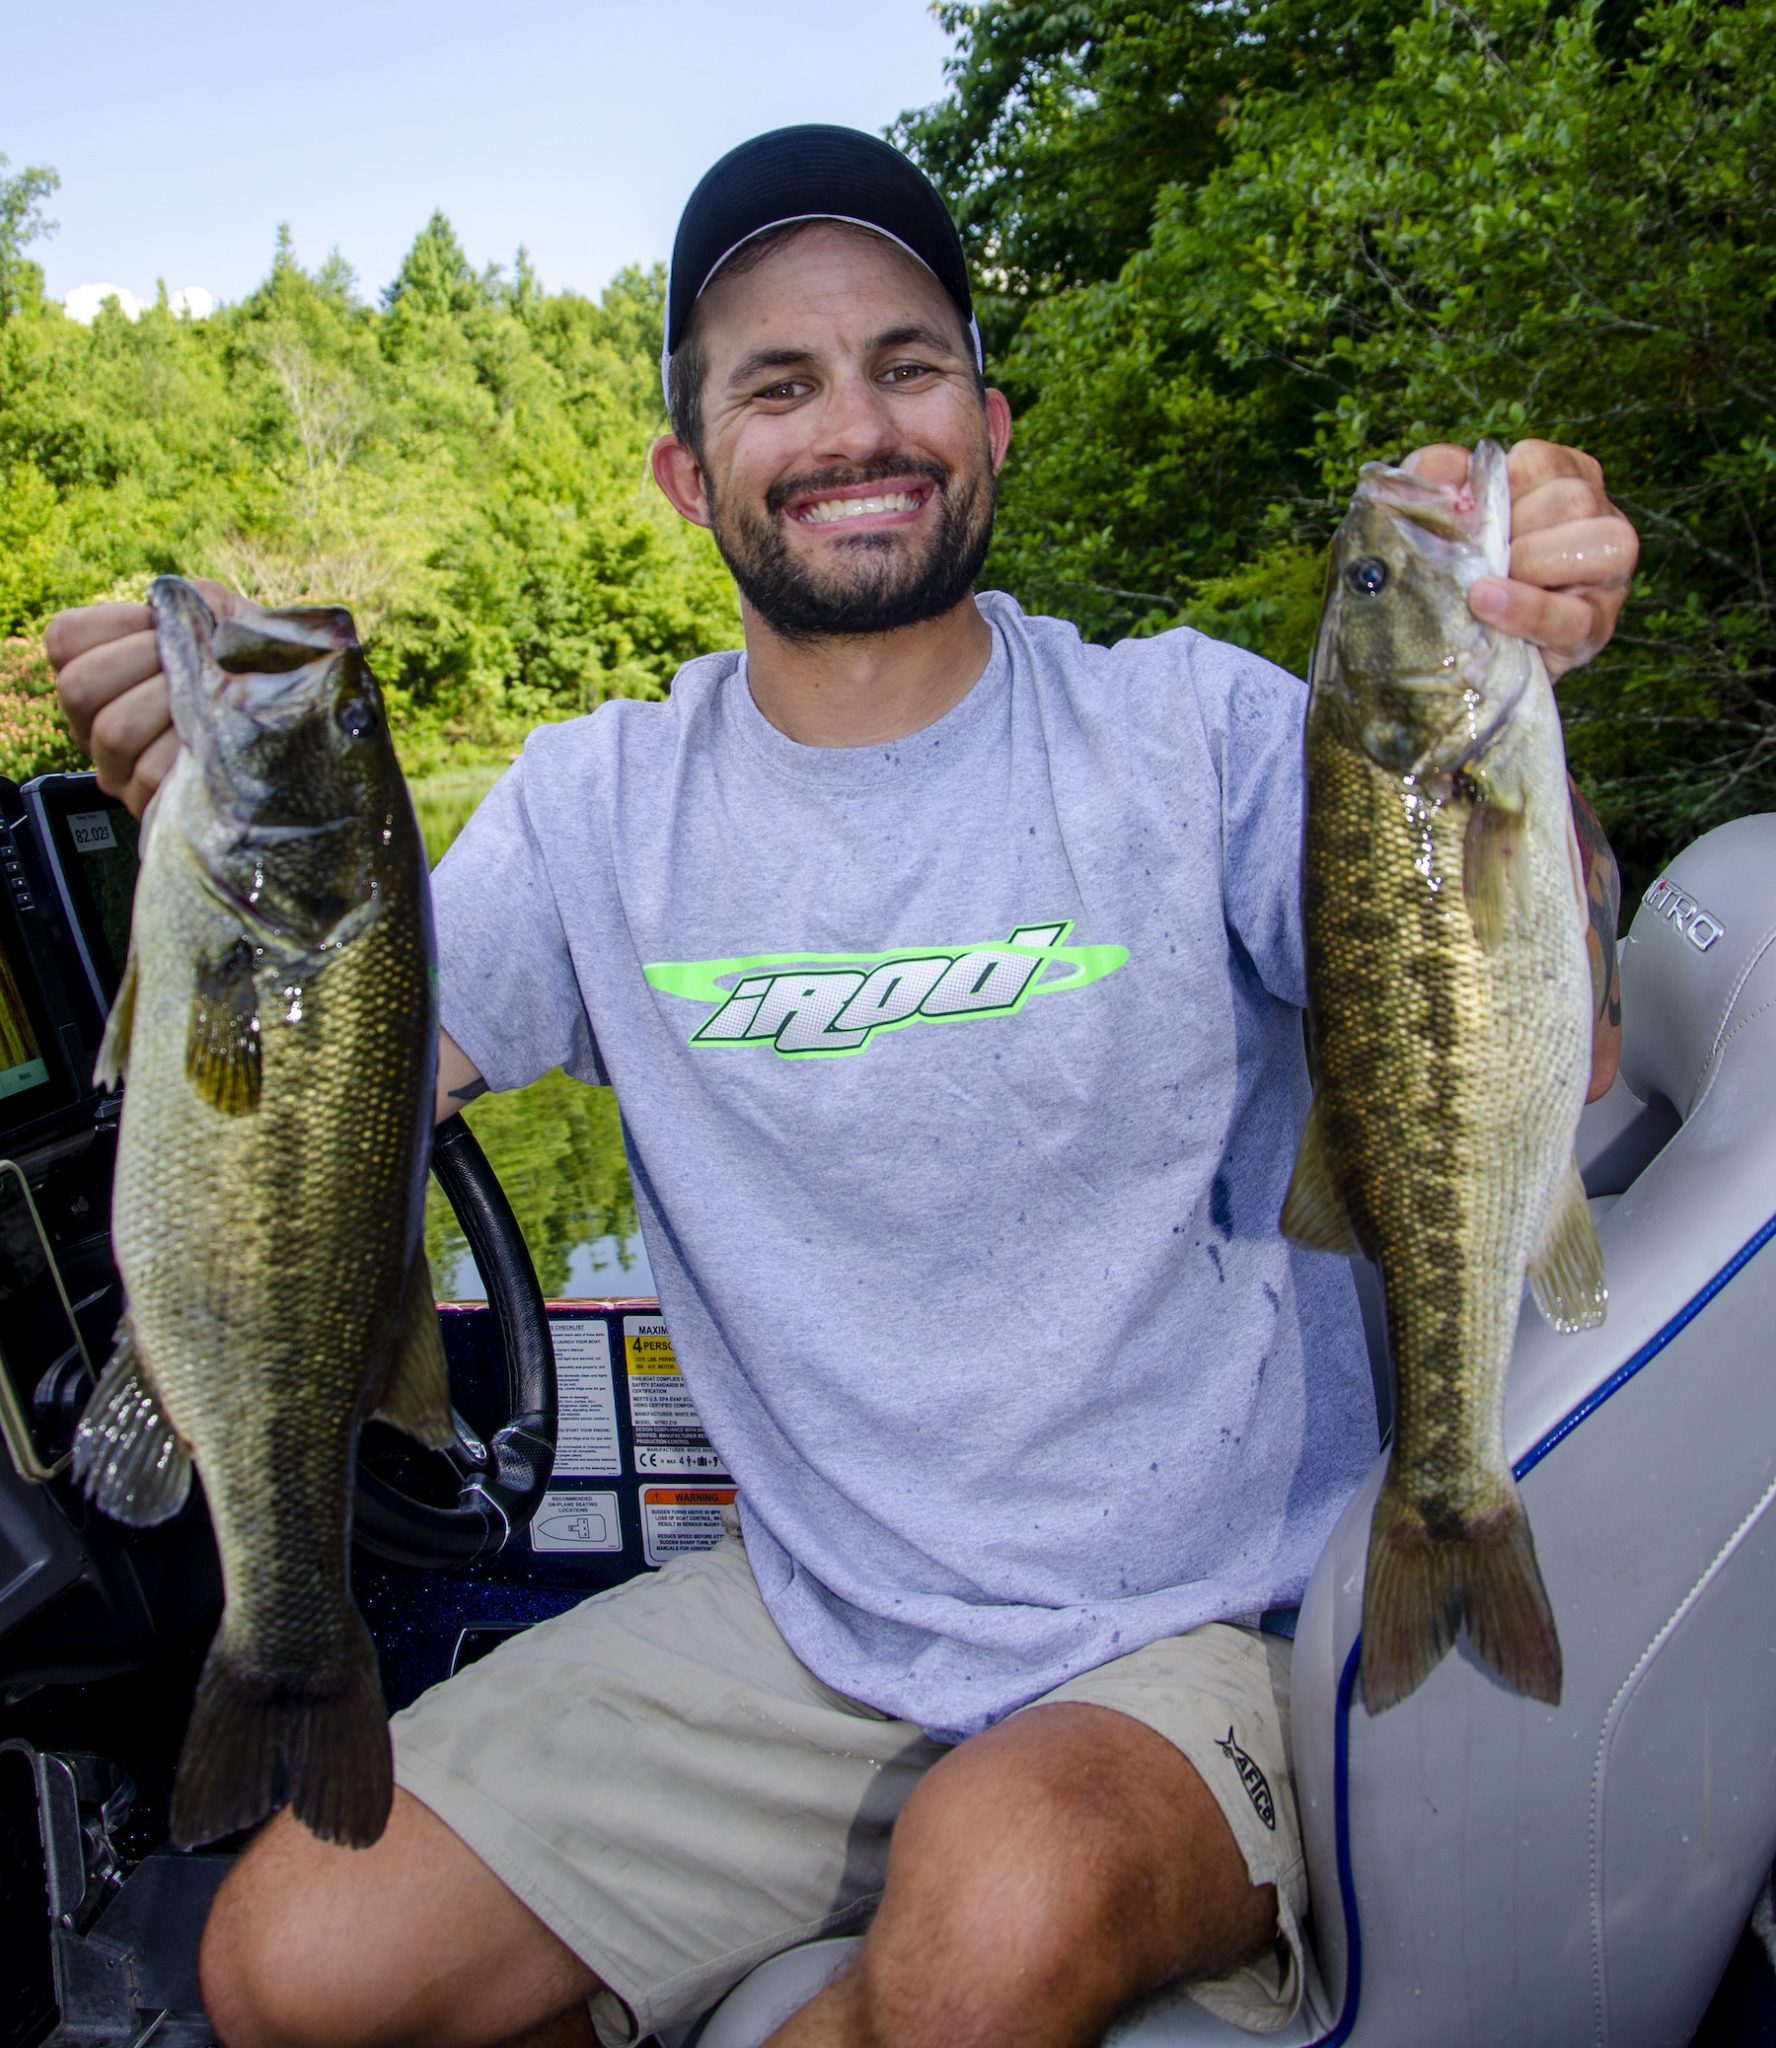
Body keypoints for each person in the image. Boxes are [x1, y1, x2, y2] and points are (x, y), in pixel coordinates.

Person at [48, 126, 1636, 2048]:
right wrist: (198, 838)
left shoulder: (1203, 731)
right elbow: (313, 1110)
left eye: (908, 363)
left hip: (1210, 1628)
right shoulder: (590, 813)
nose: (854, 426)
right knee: (285, 1963)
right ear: (683, 468)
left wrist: (1531, 670)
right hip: (818, 1632)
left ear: (992, 418)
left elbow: (1535, 1024)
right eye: (775, 383)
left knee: (994, 1908)